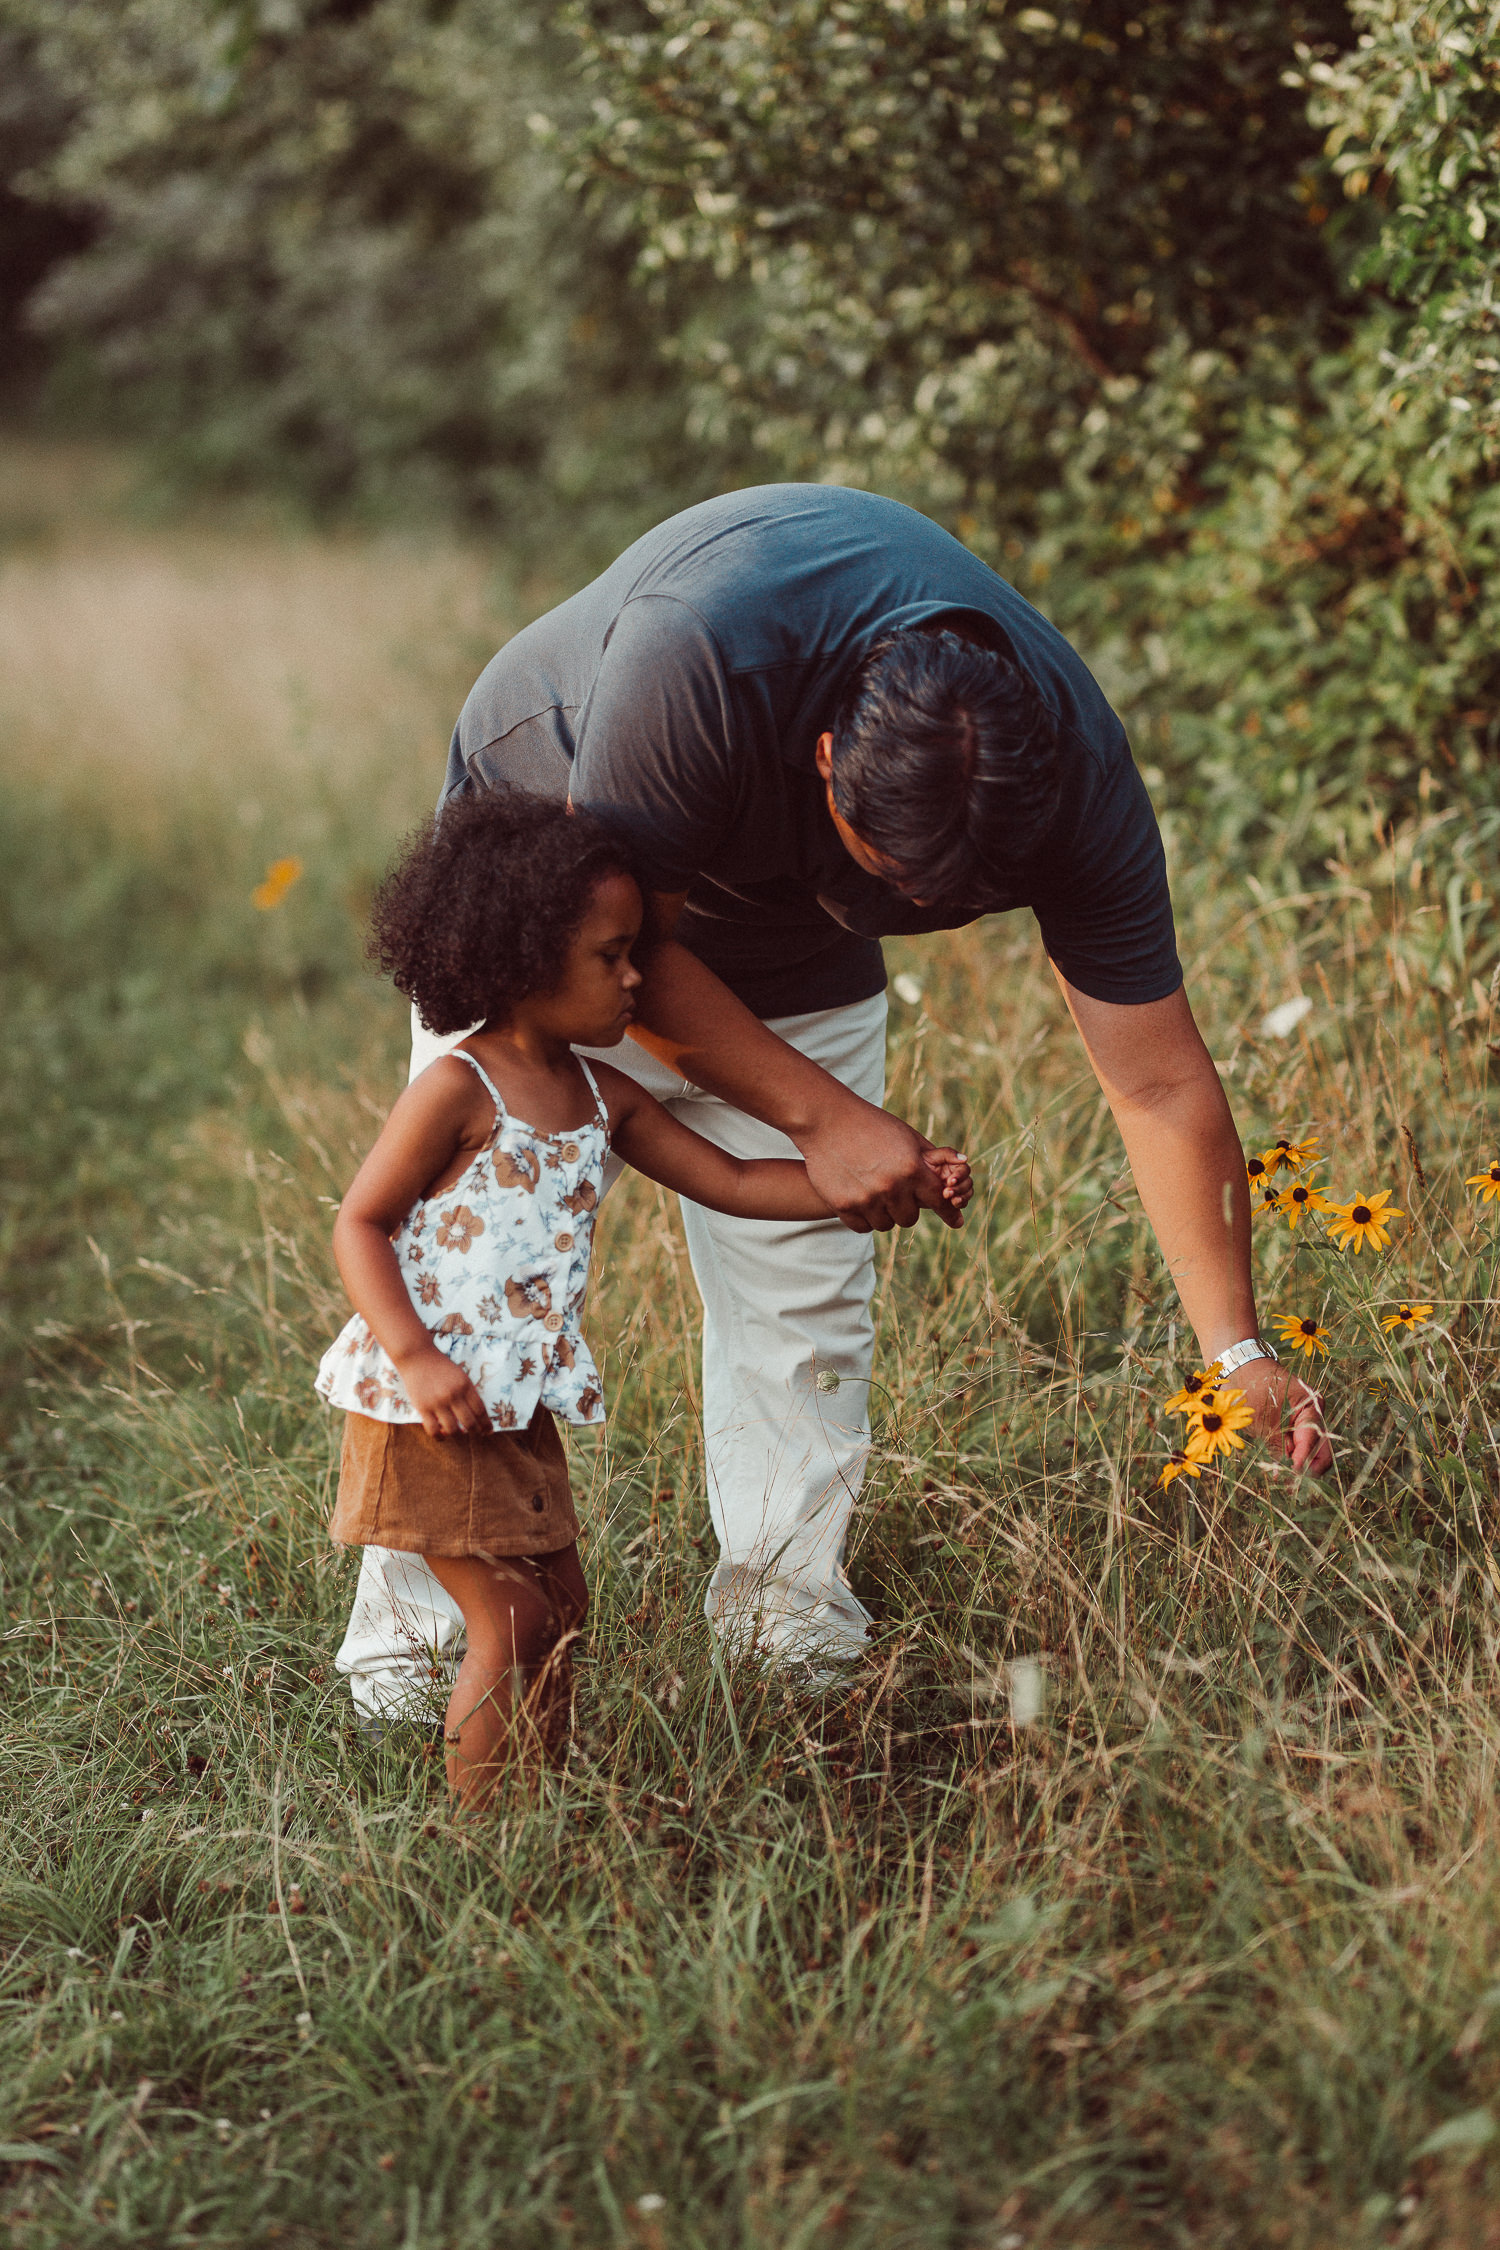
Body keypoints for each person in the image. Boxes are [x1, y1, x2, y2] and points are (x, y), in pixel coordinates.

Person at [336, 482, 1330, 1728]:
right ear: (825, 761)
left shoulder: (1070, 777)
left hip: (767, 918)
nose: (900, 915)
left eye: (950, 905)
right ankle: (411, 1656)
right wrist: (826, 1119)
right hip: (556, 902)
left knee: (805, 1282)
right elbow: (626, 958)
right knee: (465, 1279)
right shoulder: (696, 662)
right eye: (890, 877)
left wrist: (1234, 1350)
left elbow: (1159, 1077)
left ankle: (786, 1630)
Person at [316, 790, 968, 1798]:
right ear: (522, 960)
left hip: (516, 1404)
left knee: (562, 1604)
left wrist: (883, 1186)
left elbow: (738, 1182)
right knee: (514, 1619)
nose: (638, 977)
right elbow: (359, 1222)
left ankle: (537, 1792)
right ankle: (482, 1839)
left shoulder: (600, 1094)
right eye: (612, 957)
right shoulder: (457, 1087)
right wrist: (416, 1357)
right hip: (428, 1407)